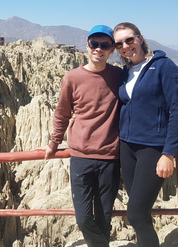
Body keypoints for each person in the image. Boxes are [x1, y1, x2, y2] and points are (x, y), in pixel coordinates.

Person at [40, 25, 123, 247]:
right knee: (84, 217)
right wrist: (54, 143)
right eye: (94, 44)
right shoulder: (72, 78)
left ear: (112, 50)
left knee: (104, 216)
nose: (99, 49)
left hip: (110, 156)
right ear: (87, 45)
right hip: (81, 156)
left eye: (105, 46)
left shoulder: (118, 75)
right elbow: (62, 114)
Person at [112, 22, 178, 247]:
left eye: (129, 40)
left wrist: (169, 153)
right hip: (128, 147)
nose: (125, 46)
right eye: (119, 44)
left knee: (135, 214)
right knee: (141, 214)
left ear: (140, 38)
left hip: (152, 149)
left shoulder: (164, 66)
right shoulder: (126, 72)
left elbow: (177, 111)